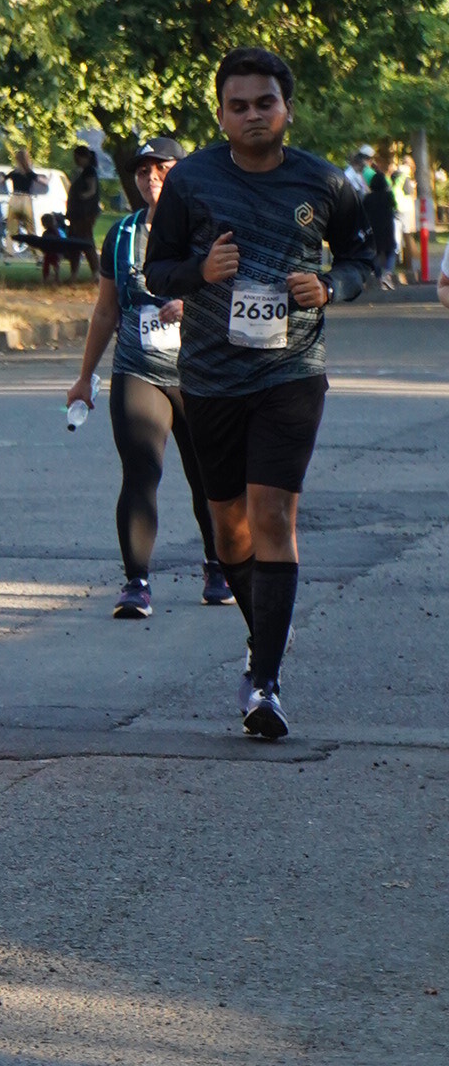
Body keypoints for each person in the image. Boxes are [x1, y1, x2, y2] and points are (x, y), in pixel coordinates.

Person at [144, 47, 375, 740]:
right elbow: (156, 273)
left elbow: (363, 259)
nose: (252, 115)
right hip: (210, 377)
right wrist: (200, 270)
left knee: (273, 514)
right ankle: (264, 633)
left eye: (264, 103)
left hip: (291, 372)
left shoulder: (323, 181)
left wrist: (329, 285)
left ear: (287, 109)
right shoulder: (191, 180)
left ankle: (265, 683)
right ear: (221, 115)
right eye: (238, 105)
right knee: (229, 529)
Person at [65, 135, 229, 618]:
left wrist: (192, 305)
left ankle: (218, 567)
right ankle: (136, 582)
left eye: (162, 168)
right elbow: (105, 311)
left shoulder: (208, 229)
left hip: (201, 373)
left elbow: (234, 297)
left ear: (183, 172)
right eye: (142, 170)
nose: (151, 177)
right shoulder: (122, 235)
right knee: (140, 472)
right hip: (138, 369)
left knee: (208, 478)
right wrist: (84, 377)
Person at [64, 148, 102, 278]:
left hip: (85, 213)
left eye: (78, 158)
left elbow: (92, 190)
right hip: (76, 214)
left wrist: (81, 197)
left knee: (85, 241)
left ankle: (95, 271)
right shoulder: (80, 171)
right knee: (74, 242)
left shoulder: (89, 171)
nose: (76, 161)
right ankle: (74, 271)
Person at [363, 155, 400, 287]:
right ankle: (388, 273)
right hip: (388, 226)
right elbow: (395, 206)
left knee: (375, 252)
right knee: (391, 250)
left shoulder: (368, 198)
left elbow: (363, 211)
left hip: (374, 227)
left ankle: (378, 274)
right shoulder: (388, 196)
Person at [4, 151, 37, 251]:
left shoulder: (14, 173)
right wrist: (49, 178)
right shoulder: (30, 173)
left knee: (11, 228)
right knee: (30, 228)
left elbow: (2, 179)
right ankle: (36, 253)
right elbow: (43, 181)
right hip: (26, 199)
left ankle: (9, 252)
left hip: (14, 198)